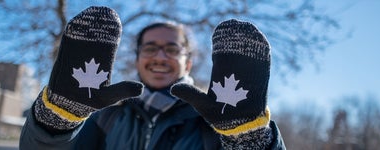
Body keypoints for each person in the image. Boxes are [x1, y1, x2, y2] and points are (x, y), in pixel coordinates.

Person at [20, 6, 286, 150]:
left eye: (172, 49)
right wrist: (57, 118)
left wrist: (248, 140)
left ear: (189, 62)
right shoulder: (103, 117)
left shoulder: (219, 125)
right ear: (137, 59)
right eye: (150, 48)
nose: (160, 57)